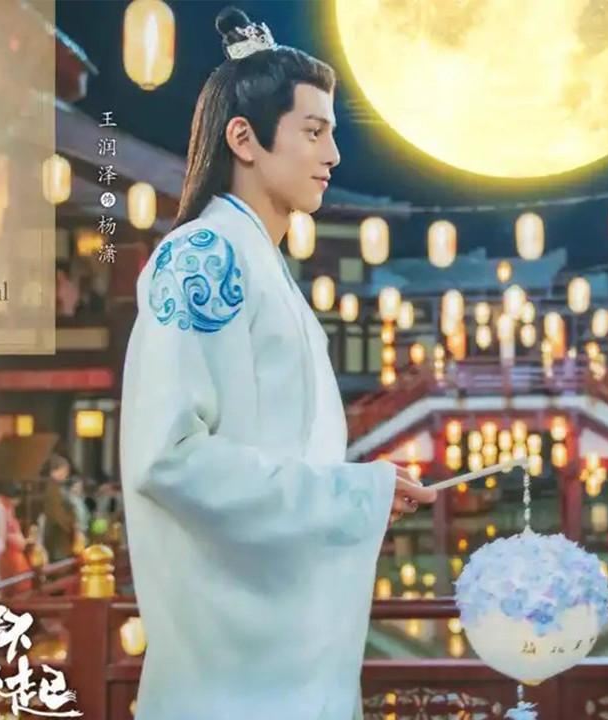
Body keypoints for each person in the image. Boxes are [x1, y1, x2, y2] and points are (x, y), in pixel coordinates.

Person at [119, 8, 436, 718]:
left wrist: (363, 491)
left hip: (276, 640)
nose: (334, 156)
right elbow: (168, 458)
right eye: (314, 132)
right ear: (244, 139)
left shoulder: (260, 262)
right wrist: (347, 495)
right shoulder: (203, 256)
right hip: (230, 658)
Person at [0, 481, 32, 593]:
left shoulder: (7, 507)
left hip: (12, 548)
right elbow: (4, 531)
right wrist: (19, 540)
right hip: (7, 550)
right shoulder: (2, 508)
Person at [41, 454, 77, 562]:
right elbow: (56, 513)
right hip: (57, 534)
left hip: (59, 534)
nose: (66, 474)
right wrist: (70, 528)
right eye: (65, 470)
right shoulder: (52, 488)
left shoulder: (56, 487)